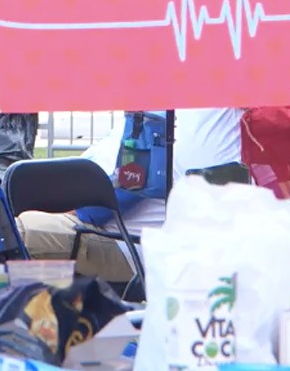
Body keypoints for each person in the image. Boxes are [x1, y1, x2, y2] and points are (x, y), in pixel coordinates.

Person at [16, 108, 243, 287]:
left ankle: (39, 321)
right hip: (112, 229)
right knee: (14, 235)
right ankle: (49, 316)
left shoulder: (173, 119)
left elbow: (115, 199)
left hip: (122, 244)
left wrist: (65, 208)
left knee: (17, 235)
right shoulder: (185, 113)